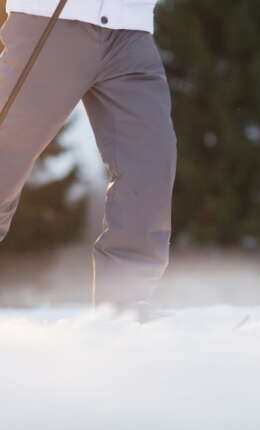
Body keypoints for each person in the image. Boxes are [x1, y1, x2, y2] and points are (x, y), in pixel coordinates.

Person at [0, 0, 177, 320]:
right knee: (5, 155)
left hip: (131, 31)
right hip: (53, 19)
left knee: (150, 165)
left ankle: (125, 300)